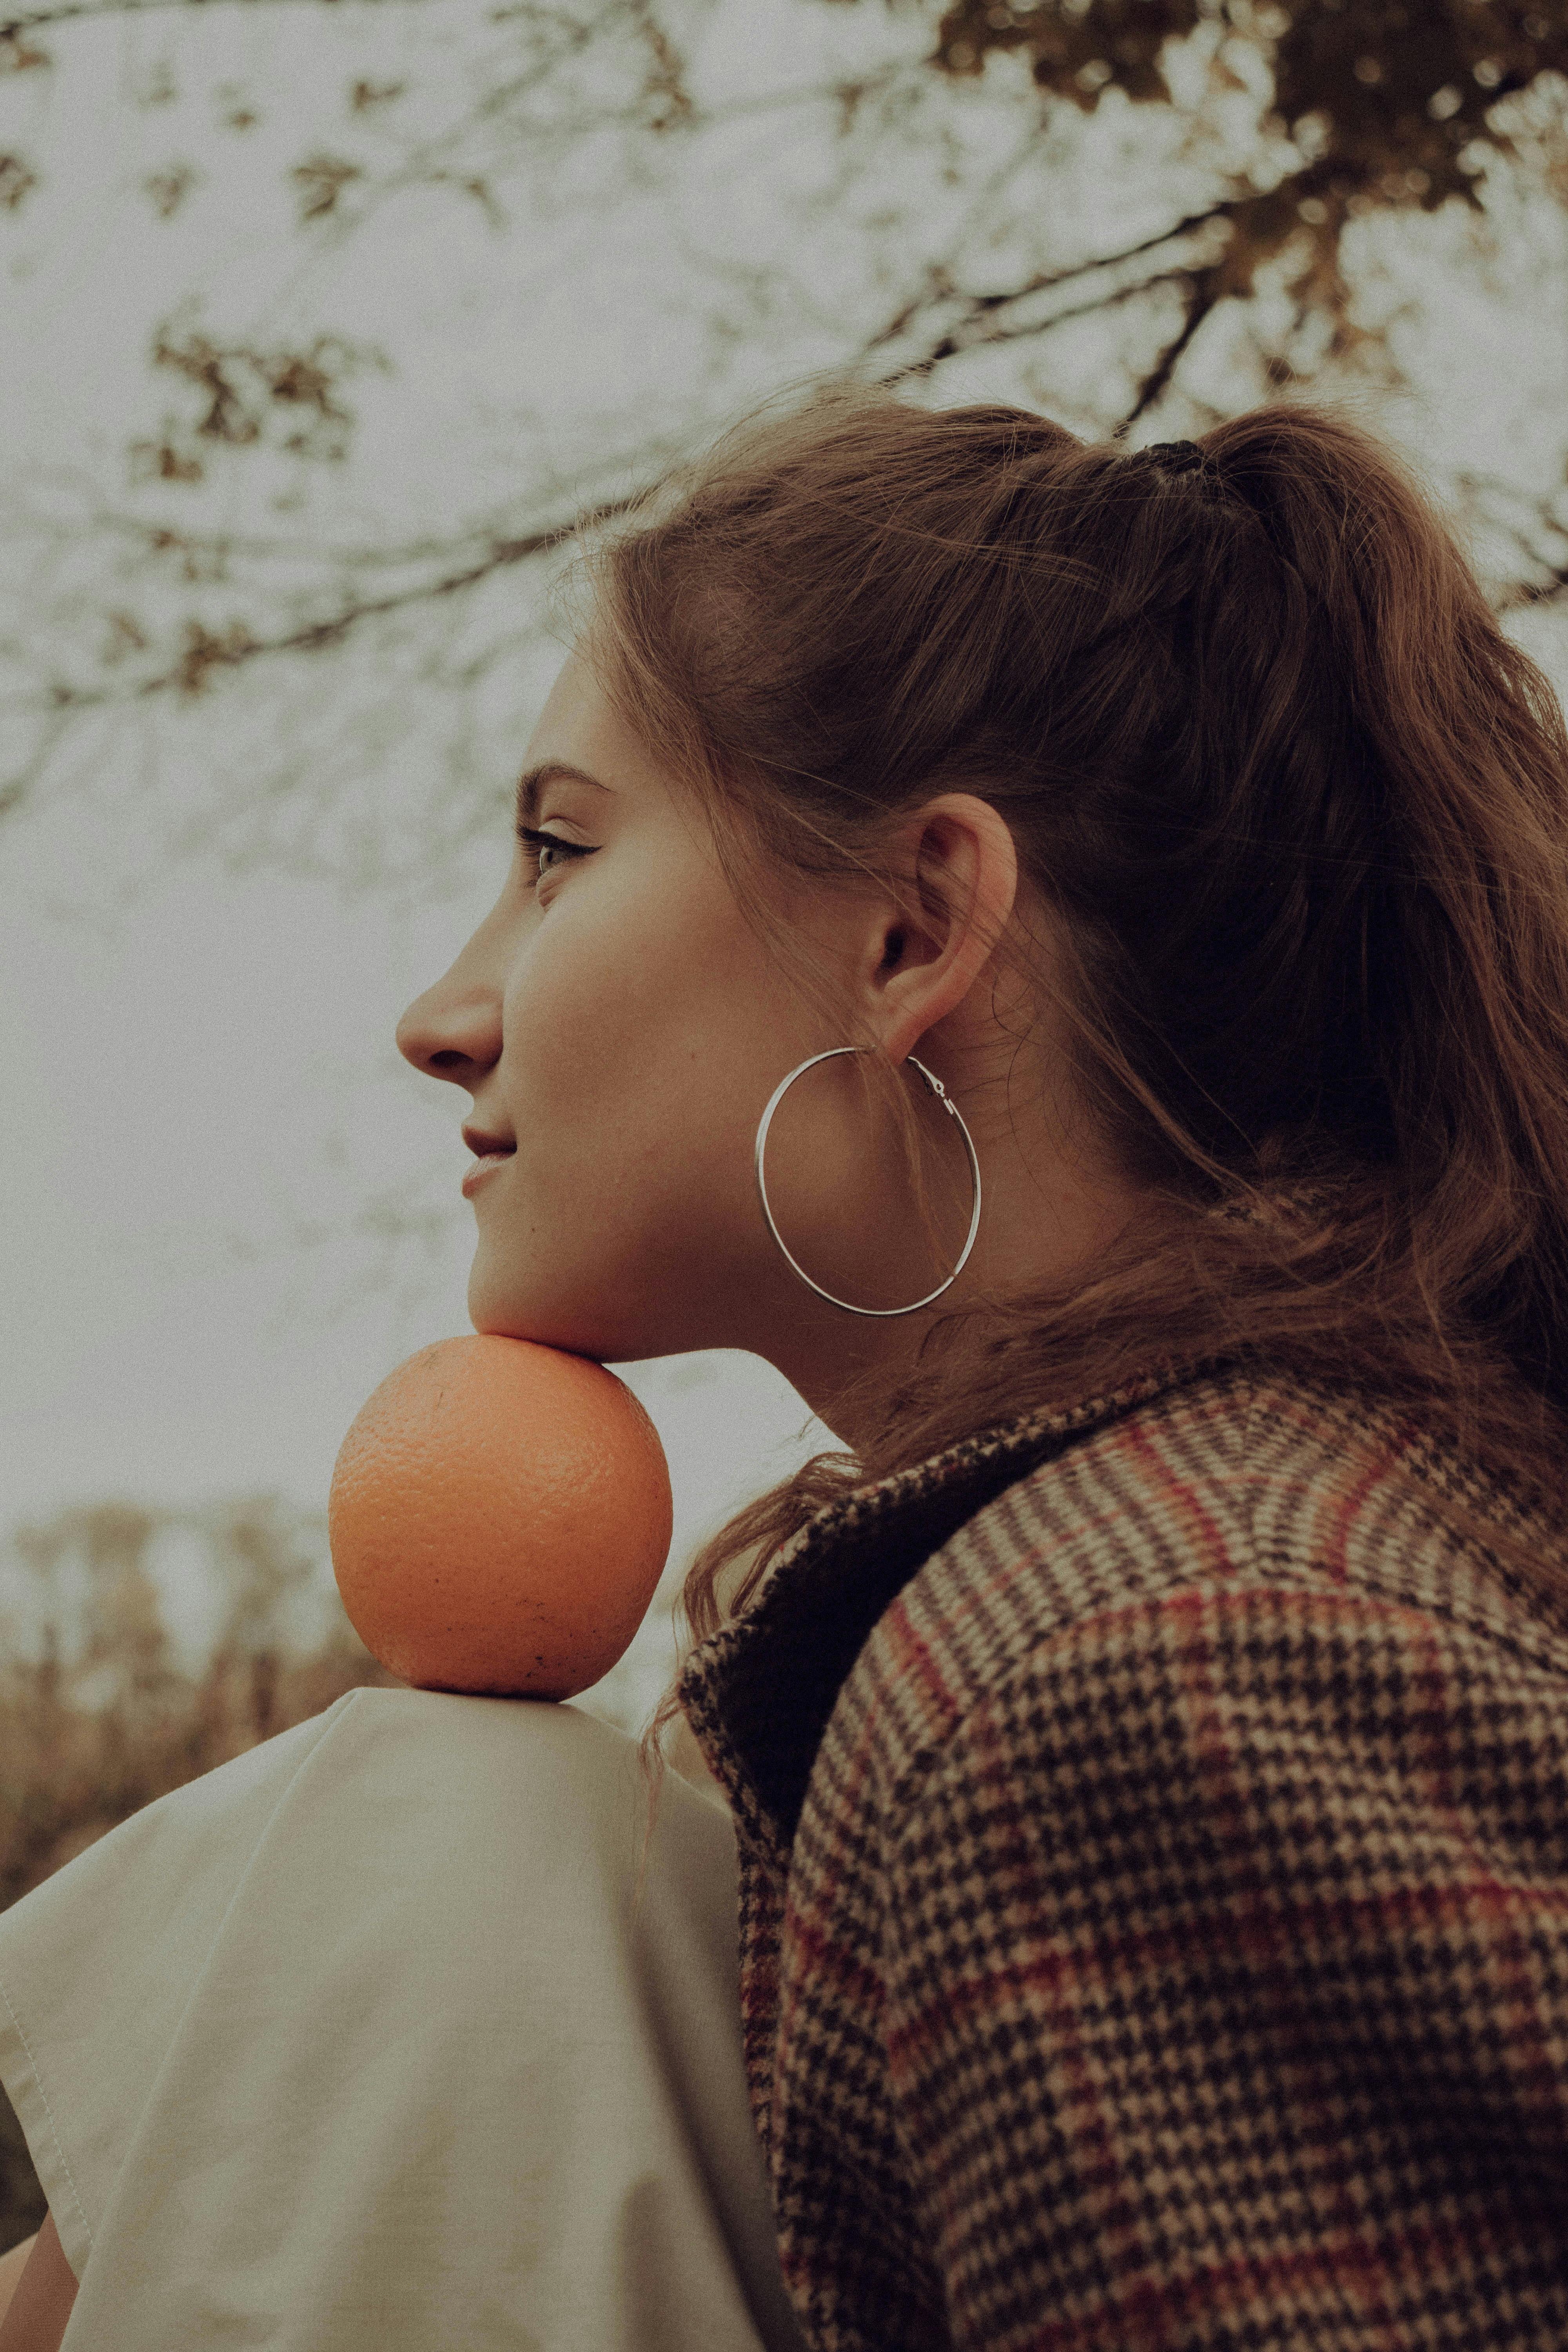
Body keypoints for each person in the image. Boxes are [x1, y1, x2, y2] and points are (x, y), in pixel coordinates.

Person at [2, 381, 1568, 2350]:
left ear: (913, 931)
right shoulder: (1175, 1570)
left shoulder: (1146, 1669)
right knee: (460, 1833)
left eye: (558, 850)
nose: (442, 1014)